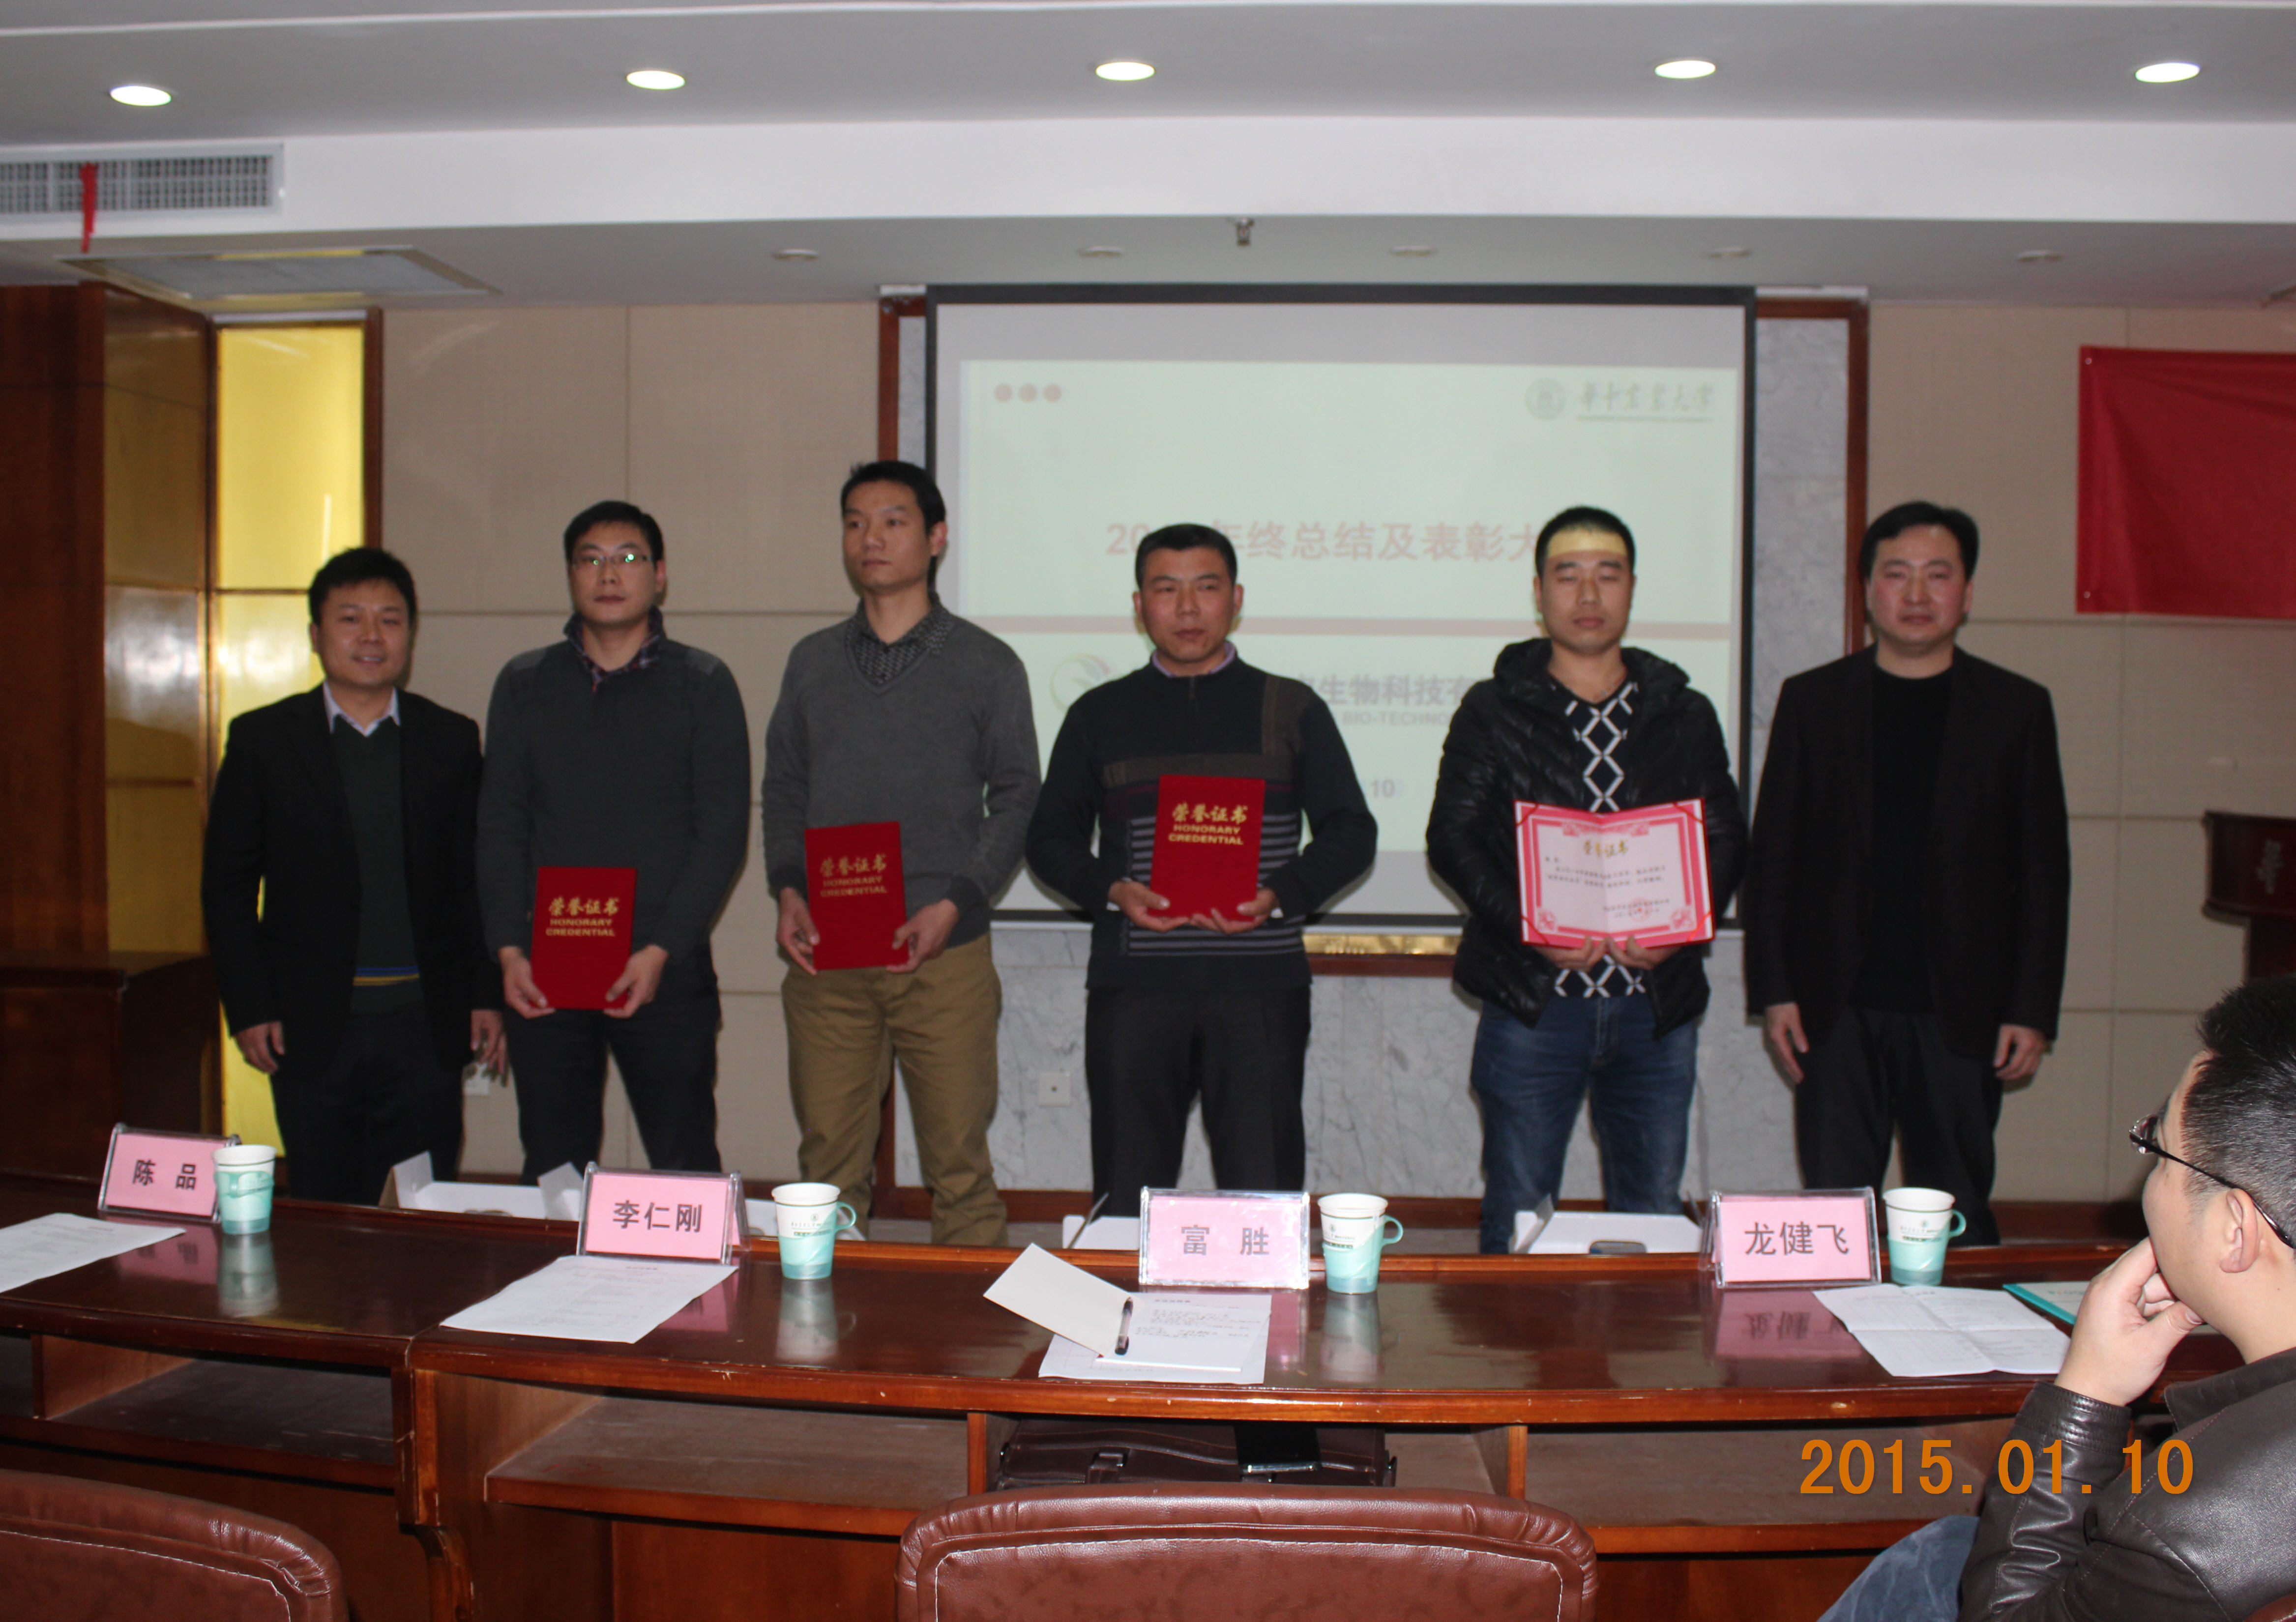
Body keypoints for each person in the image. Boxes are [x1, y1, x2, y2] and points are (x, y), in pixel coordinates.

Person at [1819, 973, 2296, 1622]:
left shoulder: (2185, 1531)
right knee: (1945, 1550)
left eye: (2159, 1151)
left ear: (2234, 1231)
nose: (2149, 1179)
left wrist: (2086, 1392)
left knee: (1922, 1566)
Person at [1743, 500, 2069, 1245]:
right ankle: (1835, 1325)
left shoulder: (2015, 709)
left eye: (1938, 575)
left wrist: (2030, 1008)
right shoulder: (1813, 701)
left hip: (1961, 1009)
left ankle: (1962, 1326)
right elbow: (1773, 858)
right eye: (1897, 574)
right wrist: (1775, 991)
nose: (1917, 594)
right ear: (1867, 590)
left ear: (1967, 592)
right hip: (1834, 1006)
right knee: (1835, 1208)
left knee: (1956, 1208)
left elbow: (2043, 874)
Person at [1026, 524, 1377, 1215]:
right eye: (1166, 589)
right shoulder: (1100, 714)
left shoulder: (1291, 707)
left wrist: (1280, 894)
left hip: (1259, 989)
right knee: (1126, 1192)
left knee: (1264, 1193)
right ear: (1139, 606)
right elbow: (1048, 840)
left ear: (1236, 599)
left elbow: (1351, 831)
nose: (1187, 608)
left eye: (1206, 587)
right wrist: (1112, 890)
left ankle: (1266, 1296)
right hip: (1135, 987)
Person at [1426, 506, 1746, 1254]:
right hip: (1532, 1002)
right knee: (1517, 1211)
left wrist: (1681, 931)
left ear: (1632, 587)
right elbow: (1452, 837)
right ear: (1539, 593)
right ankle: (1511, 1336)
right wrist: (1531, 928)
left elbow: (1726, 837)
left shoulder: (1683, 711)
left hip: (1654, 1004)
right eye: (1568, 576)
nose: (1589, 595)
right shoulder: (1492, 708)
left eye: (1608, 575)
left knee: (1652, 1214)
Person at [763, 461, 1038, 1245]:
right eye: (855, 522)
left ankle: (969, 1324)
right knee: (826, 1171)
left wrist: (955, 903)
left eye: (893, 521)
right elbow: (783, 788)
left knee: (959, 1170)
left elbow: (1017, 795)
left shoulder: (987, 663)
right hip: (829, 951)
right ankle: (821, 1319)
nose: (870, 538)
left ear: (936, 537)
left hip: (943, 954)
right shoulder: (812, 661)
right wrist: (788, 888)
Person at [201, 549, 501, 1203]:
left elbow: (472, 880)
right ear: (316, 635)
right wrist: (250, 1006)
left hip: (424, 1022)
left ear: (410, 635)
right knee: (323, 1201)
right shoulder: (263, 740)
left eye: (390, 620)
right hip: (309, 1023)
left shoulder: (450, 739)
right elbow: (227, 888)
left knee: (421, 1203)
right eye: (350, 619)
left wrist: (485, 994)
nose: (371, 636)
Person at [476, 500, 749, 1179]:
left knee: (685, 1162)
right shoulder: (524, 683)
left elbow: (721, 834)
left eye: (628, 558)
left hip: (664, 965)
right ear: (570, 575)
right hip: (546, 969)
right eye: (590, 560)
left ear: (660, 575)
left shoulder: (703, 683)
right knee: (554, 1166)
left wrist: (661, 950)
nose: (608, 574)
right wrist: (508, 950)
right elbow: (501, 826)